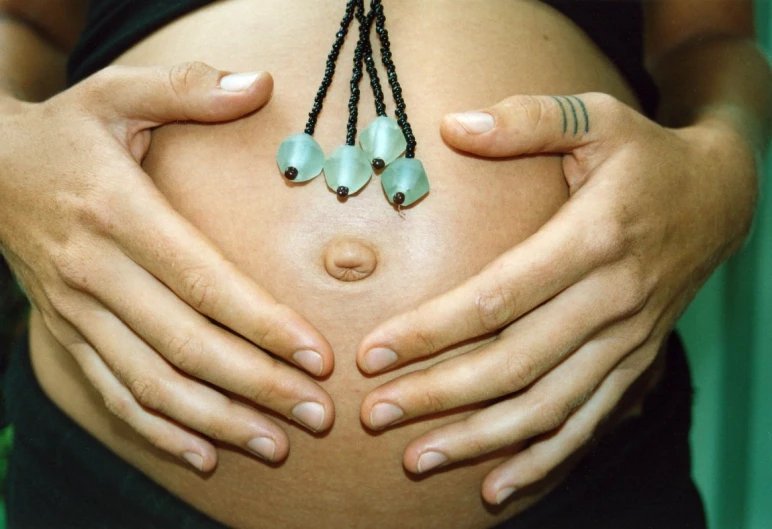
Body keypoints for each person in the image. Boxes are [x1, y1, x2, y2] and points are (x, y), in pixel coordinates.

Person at [0, 0, 769, 528]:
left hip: (577, 474)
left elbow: (705, 41)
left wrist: (726, 167)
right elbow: (22, 21)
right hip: (115, 466)